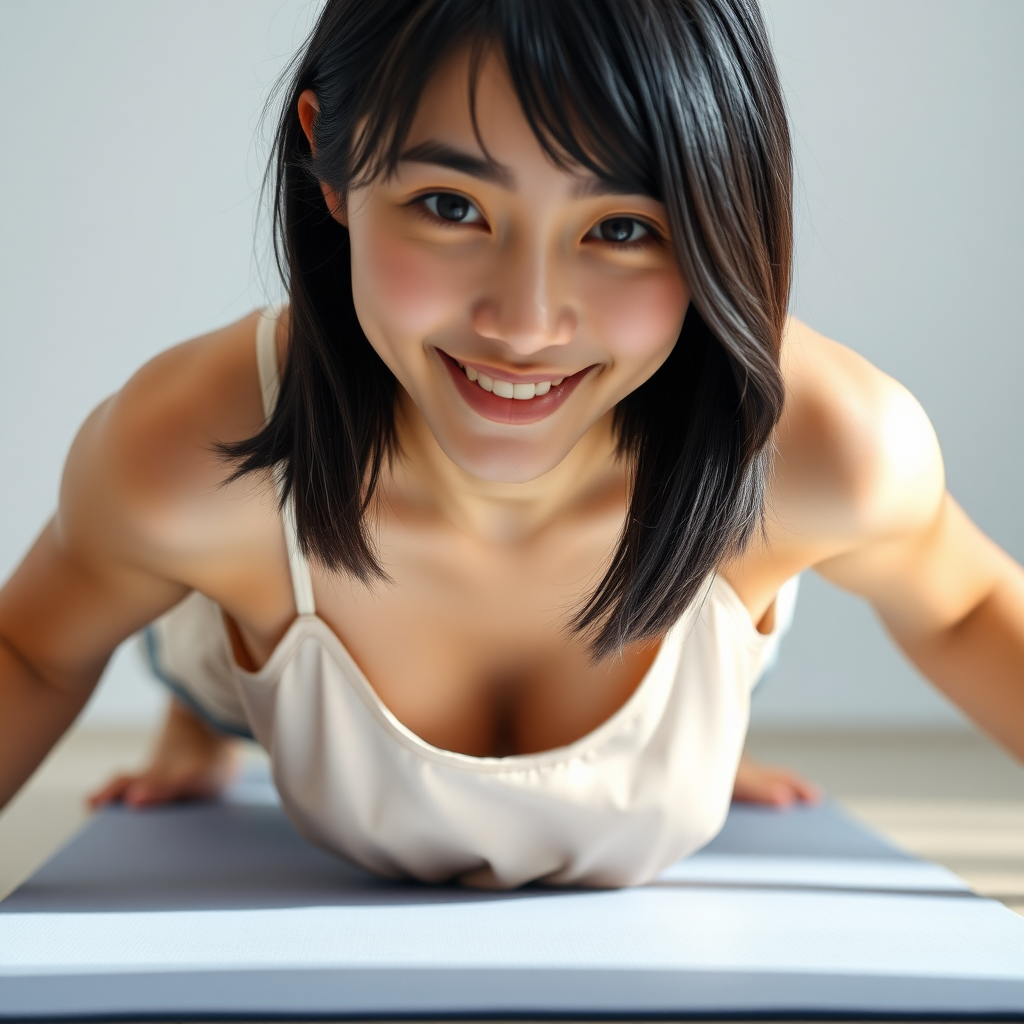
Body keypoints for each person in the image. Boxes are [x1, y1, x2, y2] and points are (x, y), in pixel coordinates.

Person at [1, 0, 1022, 888]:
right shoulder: (189, 460)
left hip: (696, 565)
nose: (525, 324)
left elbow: (968, 603)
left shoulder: (825, 449)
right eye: (450, 207)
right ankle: (208, 703)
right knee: (193, 640)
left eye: (621, 227)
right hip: (245, 598)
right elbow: (31, 651)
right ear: (332, 162)